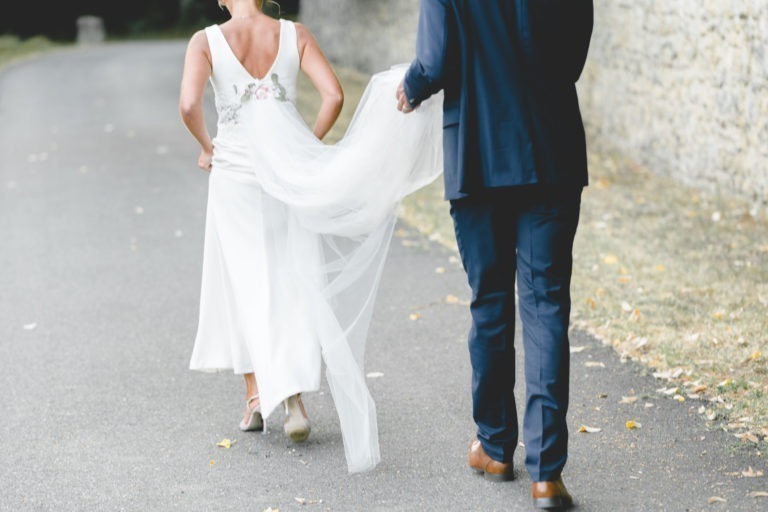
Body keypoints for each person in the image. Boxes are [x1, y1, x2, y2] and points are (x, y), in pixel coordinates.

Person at [179, 0, 443, 473]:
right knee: (290, 277)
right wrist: (303, 149)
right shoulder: (293, 33)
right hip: (285, 178)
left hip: (234, 174)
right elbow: (334, 95)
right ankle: (291, 401)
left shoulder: (206, 41)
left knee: (243, 281)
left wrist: (207, 147)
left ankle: (258, 395)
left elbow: (187, 104)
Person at [398, 0, 593, 508]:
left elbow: (436, 61)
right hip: (550, 152)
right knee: (546, 304)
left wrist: (411, 86)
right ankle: (547, 474)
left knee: (489, 303)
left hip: (478, 154)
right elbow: (571, 58)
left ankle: (495, 445)